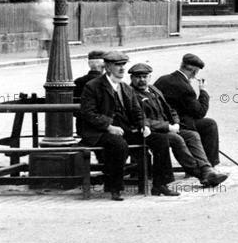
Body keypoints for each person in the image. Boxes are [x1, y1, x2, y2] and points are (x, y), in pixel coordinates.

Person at [79, 50, 179, 200]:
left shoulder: (125, 87)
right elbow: (88, 113)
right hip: (99, 132)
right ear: (107, 67)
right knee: (119, 145)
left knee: (160, 140)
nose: (122, 69)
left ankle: (160, 185)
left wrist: (142, 125)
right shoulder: (93, 86)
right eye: (117, 65)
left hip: (124, 130)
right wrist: (108, 126)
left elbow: (136, 111)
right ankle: (116, 188)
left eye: (123, 65)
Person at [129, 62, 227, 188]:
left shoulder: (153, 89)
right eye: (138, 77)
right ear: (132, 78)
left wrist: (176, 123)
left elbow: (170, 109)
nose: (142, 80)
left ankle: (207, 169)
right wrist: (168, 127)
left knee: (192, 135)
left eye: (145, 76)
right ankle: (201, 174)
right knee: (177, 139)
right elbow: (140, 119)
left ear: (150, 77)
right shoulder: (130, 94)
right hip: (149, 132)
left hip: (167, 128)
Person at [155, 53, 223, 175]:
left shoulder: (162, 79)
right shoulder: (185, 87)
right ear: (194, 72)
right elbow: (200, 112)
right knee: (209, 124)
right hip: (180, 124)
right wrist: (203, 91)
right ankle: (210, 166)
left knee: (204, 125)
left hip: (161, 121)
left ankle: (203, 164)